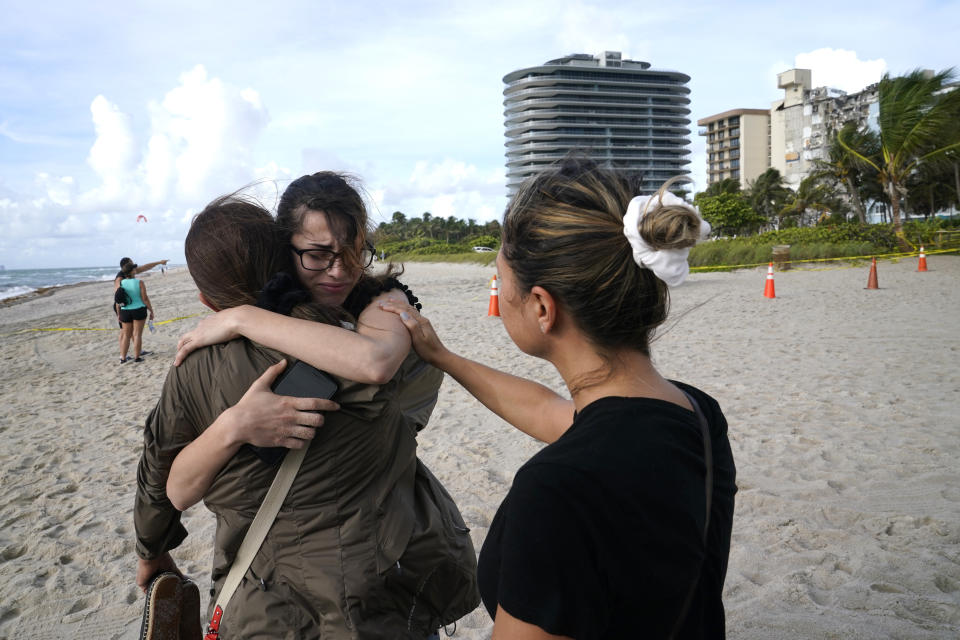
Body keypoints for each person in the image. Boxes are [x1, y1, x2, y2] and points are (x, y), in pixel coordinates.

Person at [380, 158, 737, 639]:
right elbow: (553, 413)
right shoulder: (696, 414)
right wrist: (443, 356)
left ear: (543, 307)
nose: (502, 293)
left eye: (503, 280)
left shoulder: (555, 490)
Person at [134, 181, 478, 638]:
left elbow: (162, 477)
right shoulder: (379, 329)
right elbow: (409, 410)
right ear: (285, 256)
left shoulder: (192, 366)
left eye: (352, 252)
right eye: (318, 255)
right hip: (382, 599)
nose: (338, 270)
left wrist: (151, 553)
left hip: (263, 605)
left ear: (205, 301)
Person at [116, 262, 155, 363]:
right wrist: (151, 310)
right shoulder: (139, 282)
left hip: (125, 311)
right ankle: (137, 357)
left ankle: (123, 358)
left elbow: (118, 299)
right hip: (138, 310)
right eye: (134, 269)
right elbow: (145, 298)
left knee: (126, 335)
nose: (135, 270)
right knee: (137, 334)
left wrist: (119, 313)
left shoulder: (121, 283)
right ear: (132, 271)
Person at [113, 257, 168, 327]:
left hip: (129, 306)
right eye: (131, 263)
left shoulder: (128, 272)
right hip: (123, 306)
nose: (133, 265)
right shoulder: (120, 278)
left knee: (129, 333)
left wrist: (159, 262)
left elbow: (146, 267)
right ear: (127, 266)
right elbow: (118, 295)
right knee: (125, 333)